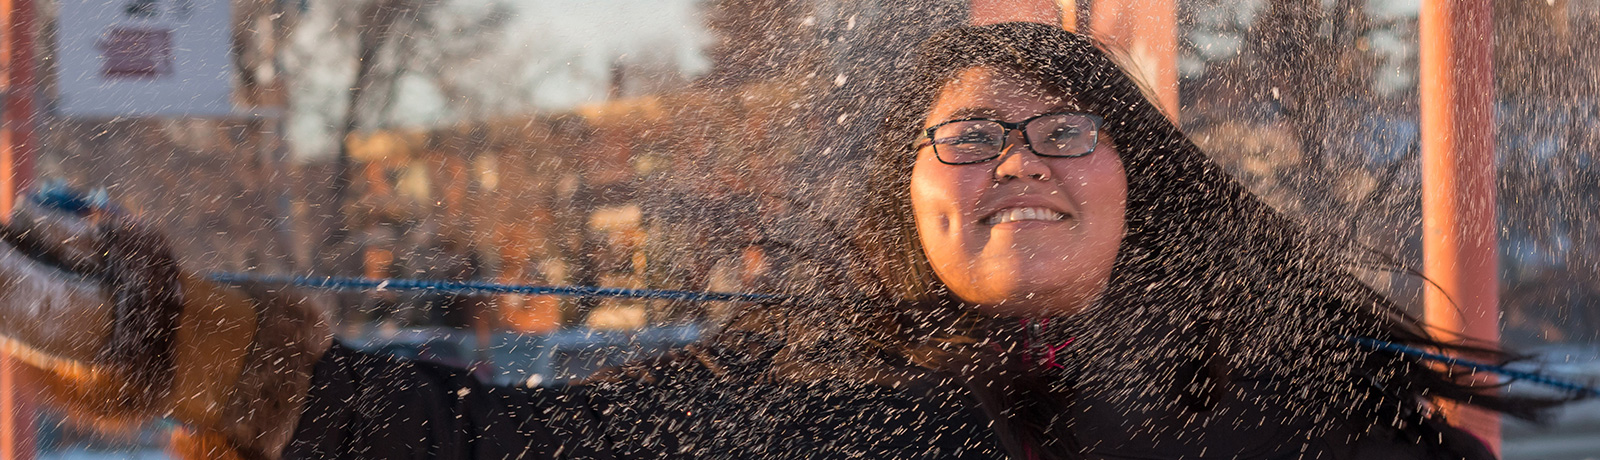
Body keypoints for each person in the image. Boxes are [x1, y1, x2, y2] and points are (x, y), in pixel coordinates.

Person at [0, 22, 1561, 460]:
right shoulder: (780, 392)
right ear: (913, 201)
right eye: (965, 137)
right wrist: (180, 343)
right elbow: (483, 441)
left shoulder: (1316, 411)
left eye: (1061, 130)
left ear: (1133, 175)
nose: (1013, 162)